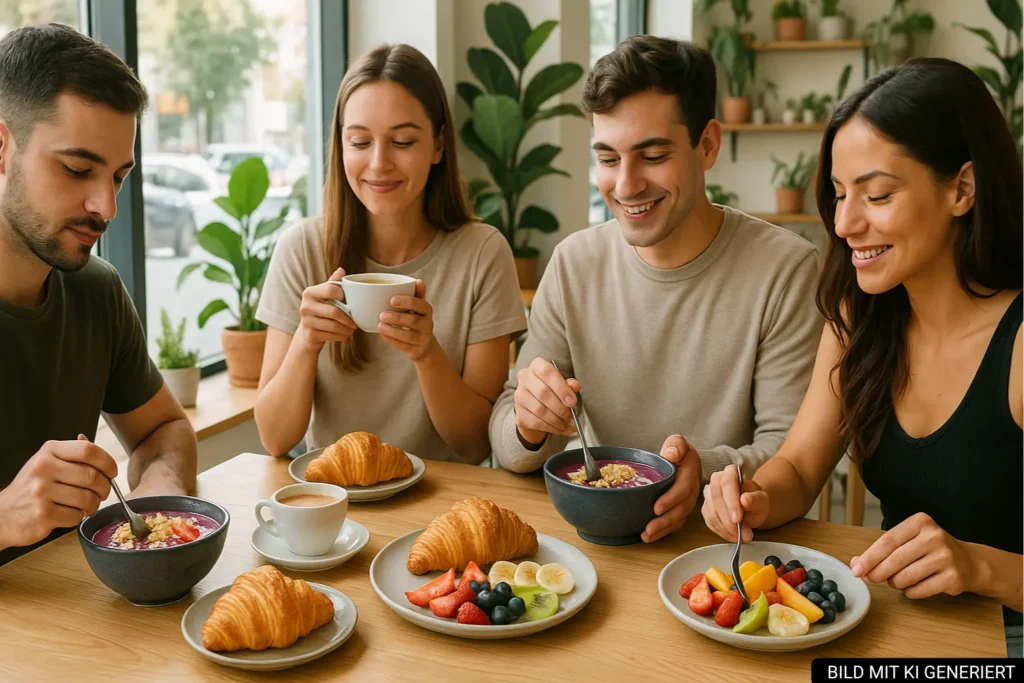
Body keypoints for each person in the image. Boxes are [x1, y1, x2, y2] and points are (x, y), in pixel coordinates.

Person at [700, 58, 1023, 656]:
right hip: (899, 628)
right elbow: (798, 468)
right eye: (840, 193)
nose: (845, 223)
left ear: (962, 188)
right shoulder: (860, 316)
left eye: (877, 195)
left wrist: (978, 566)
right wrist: (756, 497)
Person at [488, 35, 823, 543]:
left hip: (721, 550)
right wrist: (528, 426)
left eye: (652, 155)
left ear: (707, 145)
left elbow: (792, 452)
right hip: (596, 545)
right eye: (608, 158)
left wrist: (700, 471)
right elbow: (507, 437)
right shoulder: (573, 263)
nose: (625, 185)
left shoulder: (786, 268)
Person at [255, 44, 526, 464]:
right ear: (340, 146)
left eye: (402, 141)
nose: (379, 163)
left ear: (438, 146)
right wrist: (306, 343)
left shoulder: (483, 254)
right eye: (360, 141)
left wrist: (426, 353)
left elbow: (475, 445)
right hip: (336, 505)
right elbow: (274, 438)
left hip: (441, 507)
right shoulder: (302, 249)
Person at [0, 25, 198, 565]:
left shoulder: (96, 288)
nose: (106, 207)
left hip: (79, 625)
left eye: (119, 176)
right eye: (78, 169)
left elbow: (165, 429)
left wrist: (152, 504)